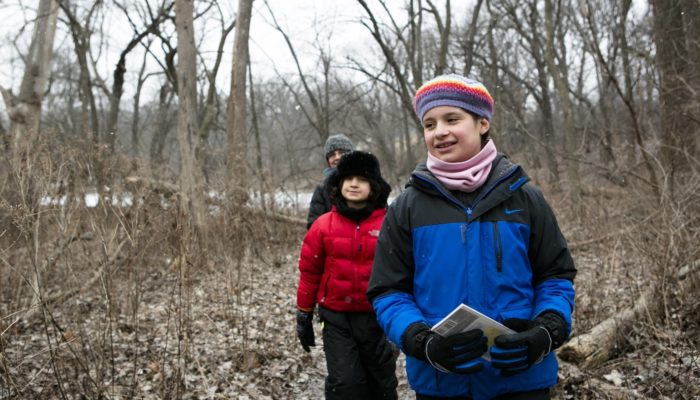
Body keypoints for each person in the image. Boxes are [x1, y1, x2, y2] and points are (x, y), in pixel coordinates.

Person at [367, 74, 577, 400]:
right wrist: (423, 342)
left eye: (452, 119)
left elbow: (555, 278)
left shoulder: (526, 200)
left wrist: (545, 332)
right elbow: (388, 291)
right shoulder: (406, 208)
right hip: (441, 383)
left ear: (482, 124)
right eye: (429, 124)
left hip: (522, 381)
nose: (439, 131)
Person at [295, 151, 398, 400]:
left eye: (361, 180)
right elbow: (310, 272)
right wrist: (303, 313)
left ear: (373, 186)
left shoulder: (390, 224)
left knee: (382, 386)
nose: (353, 184)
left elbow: (404, 273)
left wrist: (400, 327)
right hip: (337, 318)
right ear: (338, 184)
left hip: (379, 319)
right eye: (348, 178)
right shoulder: (323, 225)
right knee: (346, 385)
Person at [306, 134, 355, 229]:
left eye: (341, 152)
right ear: (328, 160)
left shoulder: (367, 182)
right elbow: (314, 226)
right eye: (332, 154)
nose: (337, 157)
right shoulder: (322, 190)